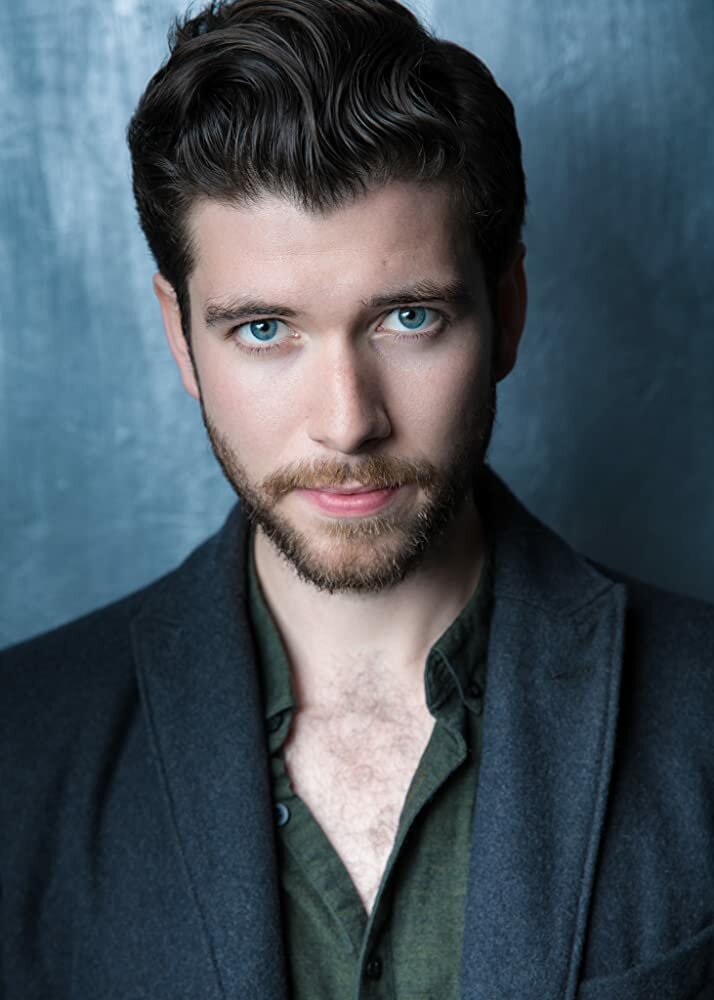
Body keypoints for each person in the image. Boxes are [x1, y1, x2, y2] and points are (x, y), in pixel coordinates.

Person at [1, 0, 713, 996]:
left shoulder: (698, 713)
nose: (347, 424)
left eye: (409, 318)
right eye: (264, 330)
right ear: (181, 338)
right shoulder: (21, 747)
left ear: (506, 311)